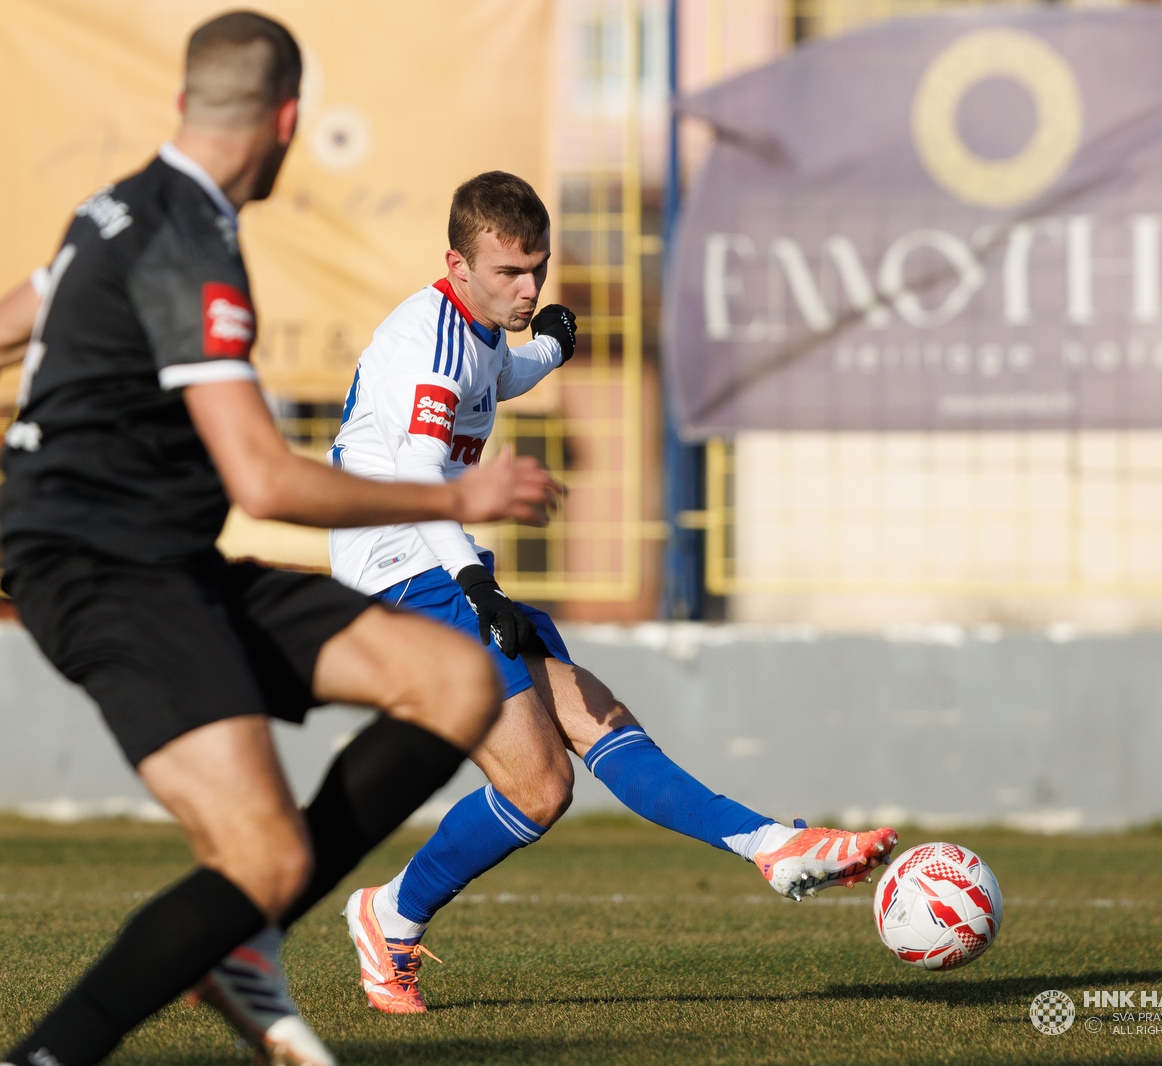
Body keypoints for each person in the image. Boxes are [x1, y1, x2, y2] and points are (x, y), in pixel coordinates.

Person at [0, 15, 559, 1066]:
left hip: (173, 558)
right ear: (286, 122)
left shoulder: (114, 210)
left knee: (458, 681)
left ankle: (246, 932)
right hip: (96, 566)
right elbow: (262, 478)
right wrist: (462, 502)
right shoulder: (190, 243)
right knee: (263, 850)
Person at [211, 170, 899, 1015]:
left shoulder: (481, 328)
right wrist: (471, 579)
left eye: (537, 268)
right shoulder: (431, 345)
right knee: (538, 787)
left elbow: (502, 376)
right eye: (509, 272)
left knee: (593, 716)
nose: (529, 287)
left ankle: (773, 845)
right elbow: (426, 473)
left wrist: (554, 349)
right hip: (404, 573)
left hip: (437, 564)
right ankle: (386, 916)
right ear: (457, 266)